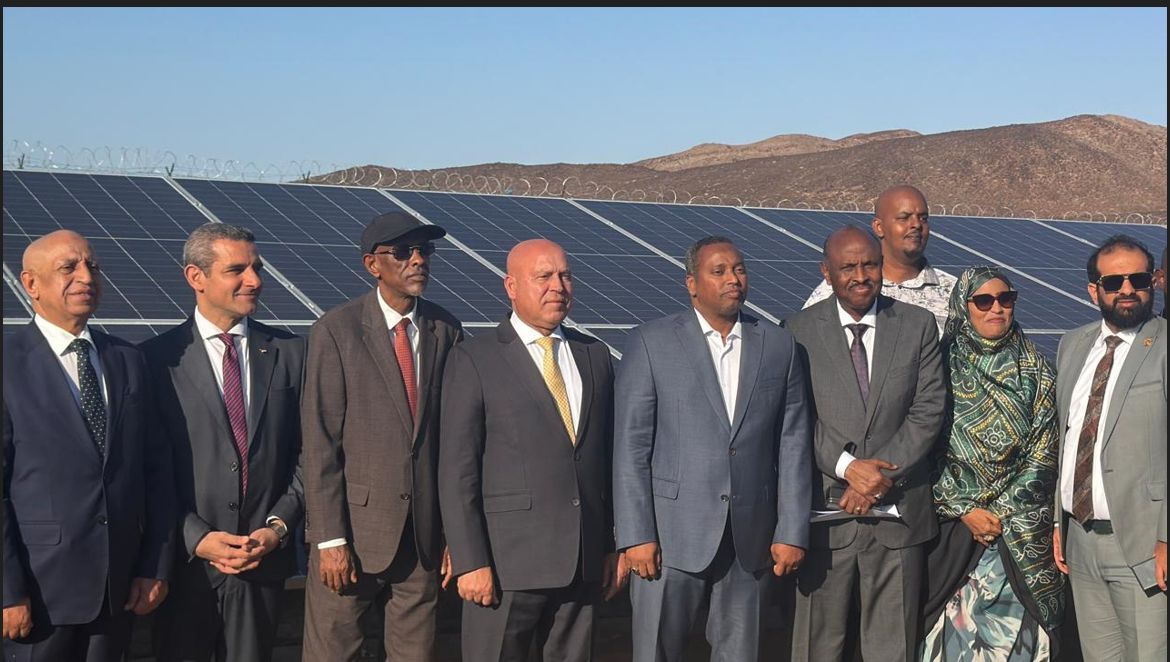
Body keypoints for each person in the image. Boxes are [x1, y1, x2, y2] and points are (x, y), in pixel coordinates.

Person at [613, 236, 813, 662]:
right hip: (669, 538)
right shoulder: (651, 343)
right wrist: (636, 534)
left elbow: (793, 442)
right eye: (718, 271)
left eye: (739, 269)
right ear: (692, 283)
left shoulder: (778, 345)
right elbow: (631, 446)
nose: (733, 279)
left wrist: (791, 530)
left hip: (751, 539)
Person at [439, 238, 626, 662]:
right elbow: (456, 471)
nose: (557, 286)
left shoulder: (594, 355)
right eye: (543, 276)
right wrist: (470, 560)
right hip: (506, 569)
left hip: (582, 565)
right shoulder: (475, 358)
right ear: (511, 286)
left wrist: (611, 544)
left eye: (565, 276)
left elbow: (605, 460)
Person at [3, 230, 175, 660]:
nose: (87, 277)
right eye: (69, 267)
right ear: (31, 284)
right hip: (39, 596)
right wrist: (7, 591)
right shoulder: (8, 363)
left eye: (92, 266)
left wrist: (154, 566)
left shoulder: (128, 359)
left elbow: (156, 472)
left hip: (117, 592)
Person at [301, 212, 463, 660]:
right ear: (372, 264)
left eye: (424, 251)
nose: (418, 260)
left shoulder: (446, 330)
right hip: (353, 537)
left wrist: (453, 533)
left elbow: (454, 442)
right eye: (403, 252)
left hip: (422, 542)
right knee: (334, 653)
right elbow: (320, 442)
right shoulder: (337, 331)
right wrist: (330, 540)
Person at [140, 223, 305, 662]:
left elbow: (309, 453)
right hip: (185, 568)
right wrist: (196, 536)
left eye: (257, 268)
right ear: (196, 277)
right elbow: (147, 468)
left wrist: (277, 528)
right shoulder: (154, 361)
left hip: (262, 563)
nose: (255, 280)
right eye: (237, 270)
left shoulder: (292, 353)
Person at [786, 225, 946, 662]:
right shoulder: (798, 331)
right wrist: (847, 467)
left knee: (892, 648)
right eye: (848, 267)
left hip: (898, 515)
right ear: (826, 272)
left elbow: (928, 410)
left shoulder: (917, 325)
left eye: (870, 265)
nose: (861, 276)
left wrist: (874, 477)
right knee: (817, 648)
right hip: (826, 518)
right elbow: (797, 416)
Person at [921, 267, 1064, 660]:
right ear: (963, 306)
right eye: (983, 301)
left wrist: (997, 513)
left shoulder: (1036, 369)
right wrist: (965, 509)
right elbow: (922, 446)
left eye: (1006, 299)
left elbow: (1044, 451)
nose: (996, 309)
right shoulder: (936, 369)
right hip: (953, 534)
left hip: (1020, 534)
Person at [1052, 235, 1166, 661]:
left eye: (1138, 279)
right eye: (1114, 281)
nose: (1127, 289)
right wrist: (1058, 521)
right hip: (1080, 542)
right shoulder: (1072, 345)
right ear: (1093, 290)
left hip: (1144, 544)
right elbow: (1065, 436)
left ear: (1154, 282)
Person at [803, 185, 957, 333]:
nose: (916, 224)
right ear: (879, 227)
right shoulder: (842, 288)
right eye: (904, 218)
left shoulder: (954, 291)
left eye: (923, 218)